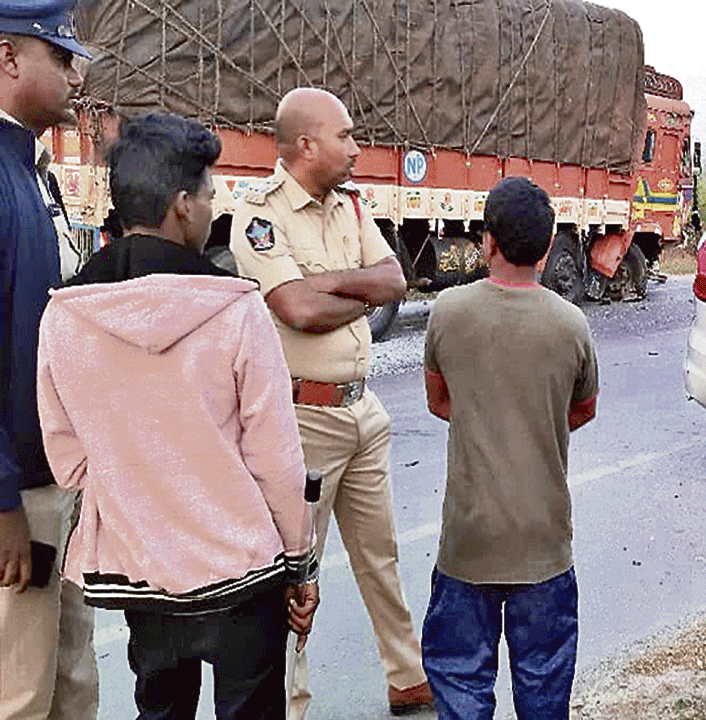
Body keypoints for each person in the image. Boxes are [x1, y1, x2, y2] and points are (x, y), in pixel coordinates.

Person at [35, 112, 320, 719]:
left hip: (142, 574)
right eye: (211, 192)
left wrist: (141, 497)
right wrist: (300, 563)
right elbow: (276, 458)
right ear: (183, 205)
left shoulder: (66, 314)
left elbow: (68, 458)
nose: (214, 205)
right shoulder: (237, 310)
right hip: (243, 575)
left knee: (160, 710)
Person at [229, 87, 433, 718]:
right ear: (306, 144)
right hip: (302, 421)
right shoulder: (258, 214)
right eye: (345, 136)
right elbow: (296, 309)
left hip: (362, 411)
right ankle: (291, 703)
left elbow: (395, 279)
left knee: (382, 554)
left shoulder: (350, 205)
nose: (356, 147)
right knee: (295, 575)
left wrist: (326, 284)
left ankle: (406, 676)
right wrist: (350, 291)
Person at [421, 176, 599, 719]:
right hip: (543, 546)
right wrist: (536, 421)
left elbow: (438, 400)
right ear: (547, 248)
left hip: (468, 542)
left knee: (460, 681)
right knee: (544, 691)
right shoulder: (571, 324)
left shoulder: (448, 312)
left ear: (487, 242)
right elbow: (584, 409)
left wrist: (485, 414)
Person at [0, 2, 99, 716]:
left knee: (73, 682)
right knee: (21, 692)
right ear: (8, 59)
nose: (75, 74)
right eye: (60, 58)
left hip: (57, 478)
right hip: (19, 495)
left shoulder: (36, 172)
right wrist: (2, 501)